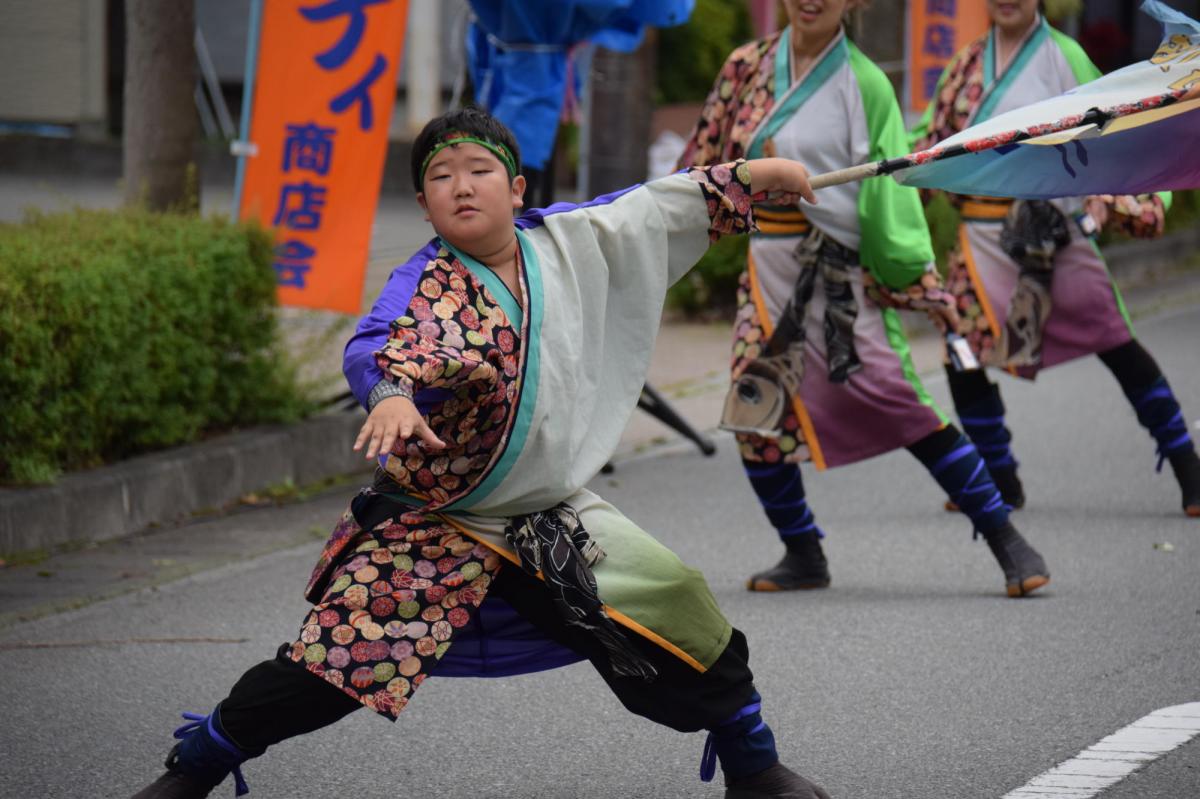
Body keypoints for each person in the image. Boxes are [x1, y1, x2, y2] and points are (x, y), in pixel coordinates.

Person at [131, 107, 833, 799]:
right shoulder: (427, 286)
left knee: (675, 603)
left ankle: (755, 766)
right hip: (438, 520)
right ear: (423, 203)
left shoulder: (569, 241)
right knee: (329, 666)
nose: (461, 185)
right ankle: (193, 767)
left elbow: (652, 207)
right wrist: (391, 395)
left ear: (517, 188)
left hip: (546, 515)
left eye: (479, 170)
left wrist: (753, 175)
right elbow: (380, 345)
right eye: (441, 175)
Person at [677, 0, 1050, 596]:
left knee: (899, 402)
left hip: (835, 272)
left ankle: (1006, 537)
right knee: (754, 411)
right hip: (765, 273)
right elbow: (701, 162)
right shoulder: (745, 66)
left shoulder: (865, 82)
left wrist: (919, 282)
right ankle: (803, 553)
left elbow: (889, 198)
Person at [909, 0, 1200, 518]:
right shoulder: (965, 65)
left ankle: (1188, 466)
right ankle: (1000, 476)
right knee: (963, 354)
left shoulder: (1066, 55)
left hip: (1053, 233)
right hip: (979, 240)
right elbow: (931, 141)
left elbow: (1121, 130)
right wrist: (894, 177)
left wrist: (1134, 200)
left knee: (1117, 345)